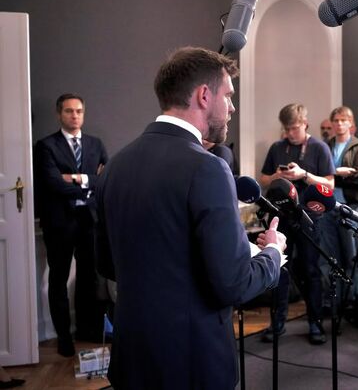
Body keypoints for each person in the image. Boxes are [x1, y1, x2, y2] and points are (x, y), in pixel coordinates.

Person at [95, 47, 285, 390]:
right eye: (228, 96)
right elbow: (235, 284)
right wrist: (273, 253)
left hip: (132, 358)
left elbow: (107, 263)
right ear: (204, 95)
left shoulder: (115, 166)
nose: (232, 107)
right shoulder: (208, 168)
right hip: (190, 363)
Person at [34, 93, 109, 356]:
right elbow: (52, 183)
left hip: (89, 221)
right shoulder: (46, 146)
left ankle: (87, 330)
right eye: (68, 111)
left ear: (83, 114)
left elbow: (105, 179)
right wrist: (88, 182)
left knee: (89, 279)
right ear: (59, 114)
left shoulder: (95, 144)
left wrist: (75, 178)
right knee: (58, 280)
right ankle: (64, 337)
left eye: (78, 111)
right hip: (60, 223)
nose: (74, 115)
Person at [259, 103, 335, 344]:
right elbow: (263, 179)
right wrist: (277, 176)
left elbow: (330, 184)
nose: (289, 133)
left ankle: (315, 323)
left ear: (305, 124)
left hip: (309, 218)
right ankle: (277, 322)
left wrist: (304, 175)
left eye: (293, 128)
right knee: (279, 269)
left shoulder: (319, 148)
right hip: (281, 217)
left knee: (311, 271)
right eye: (286, 129)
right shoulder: (277, 147)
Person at [318, 106, 358, 310]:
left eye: (343, 120)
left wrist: (331, 176)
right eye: (336, 120)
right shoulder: (326, 145)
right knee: (331, 257)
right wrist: (338, 172)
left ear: (350, 123)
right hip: (329, 206)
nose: (339, 124)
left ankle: (351, 300)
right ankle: (334, 300)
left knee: (352, 257)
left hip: (349, 207)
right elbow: (320, 173)